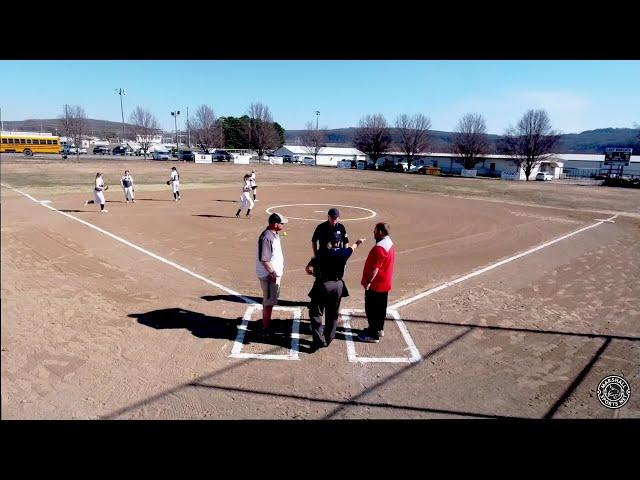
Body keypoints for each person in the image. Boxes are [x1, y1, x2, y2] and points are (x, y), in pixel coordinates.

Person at [305, 233, 365, 350]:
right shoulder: (344, 253)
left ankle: (319, 340)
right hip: (337, 286)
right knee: (332, 314)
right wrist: (358, 242)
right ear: (339, 243)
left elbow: (308, 269)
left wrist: (314, 273)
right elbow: (352, 247)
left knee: (315, 313)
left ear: (329, 243)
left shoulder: (322, 253)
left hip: (322, 285)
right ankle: (328, 339)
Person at [358, 222, 396, 343]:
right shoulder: (389, 243)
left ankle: (373, 334)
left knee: (372, 309)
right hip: (384, 283)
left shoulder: (380, 248)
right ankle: (379, 329)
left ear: (380, 232)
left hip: (376, 285)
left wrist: (368, 282)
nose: (373, 232)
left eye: (375, 230)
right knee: (380, 308)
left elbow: (375, 269)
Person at [255, 212, 288, 337]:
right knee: (268, 302)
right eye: (281, 223)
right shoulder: (267, 237)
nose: (283, 224)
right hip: (269, 275)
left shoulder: (274, 234)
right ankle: (265, 328)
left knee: (271, 300)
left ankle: (266, 323)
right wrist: (273, 274)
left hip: (272, 274)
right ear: (275, 224)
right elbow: (264, 260)